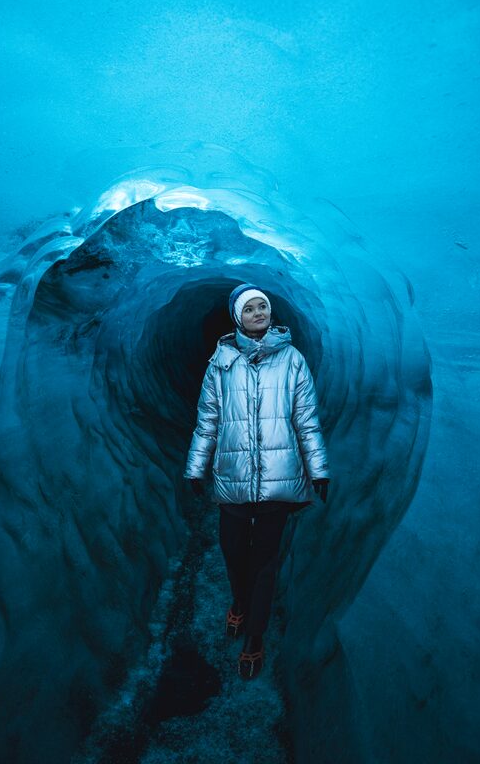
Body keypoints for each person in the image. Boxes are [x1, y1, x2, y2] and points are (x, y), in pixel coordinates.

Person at [184, 283, 331, 680]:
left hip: (279, 479)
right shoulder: (220, 362)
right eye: (250, 309)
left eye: (263, 306)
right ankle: (239, 602)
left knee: (264, 560)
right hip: (233, 478)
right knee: (233, 551)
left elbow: (306, 419)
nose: (259, 313)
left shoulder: (292, 360)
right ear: (237, 317)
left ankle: (254, 636)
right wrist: (196, 467)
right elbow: (208, 420)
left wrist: (317, 469)